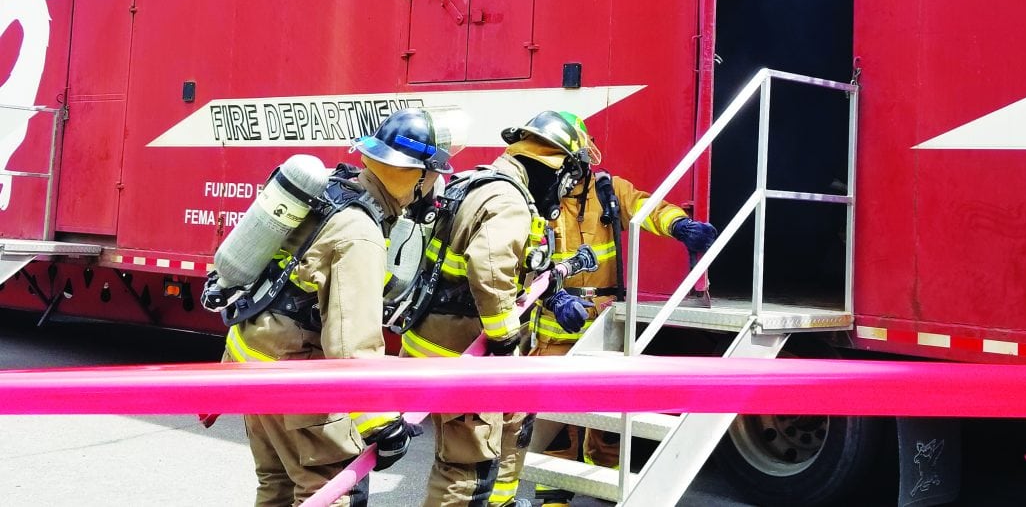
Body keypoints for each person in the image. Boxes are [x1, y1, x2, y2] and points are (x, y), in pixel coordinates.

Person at [210, 107, 461, 507]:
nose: (436, 185)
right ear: (417, 175)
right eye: (434, 174)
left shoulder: (331, 189)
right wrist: (380, 422)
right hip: (293, 382)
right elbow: (352, 342)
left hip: (250, 361)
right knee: (326, 491)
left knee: (276, 486)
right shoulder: (360, 231)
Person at [498, 110, 717, 507]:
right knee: (556, 415)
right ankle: (554, 495)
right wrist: (552, 297)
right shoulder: (536, 199)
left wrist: (681, 226)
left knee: (609, 416)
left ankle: (609, 488)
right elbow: (522, 262)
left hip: (606, 320)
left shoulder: (607, 190)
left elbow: (647, 207)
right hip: (555, 322)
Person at [401, 110, 598, 507]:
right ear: (555, 167)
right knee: (466, 467)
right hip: (464, 353)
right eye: (569, 178)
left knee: (509, 428)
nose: (565, 190)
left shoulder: (477, 182)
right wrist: (505, 339)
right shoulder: (508, 199)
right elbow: (489, 270)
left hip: (431, 338)